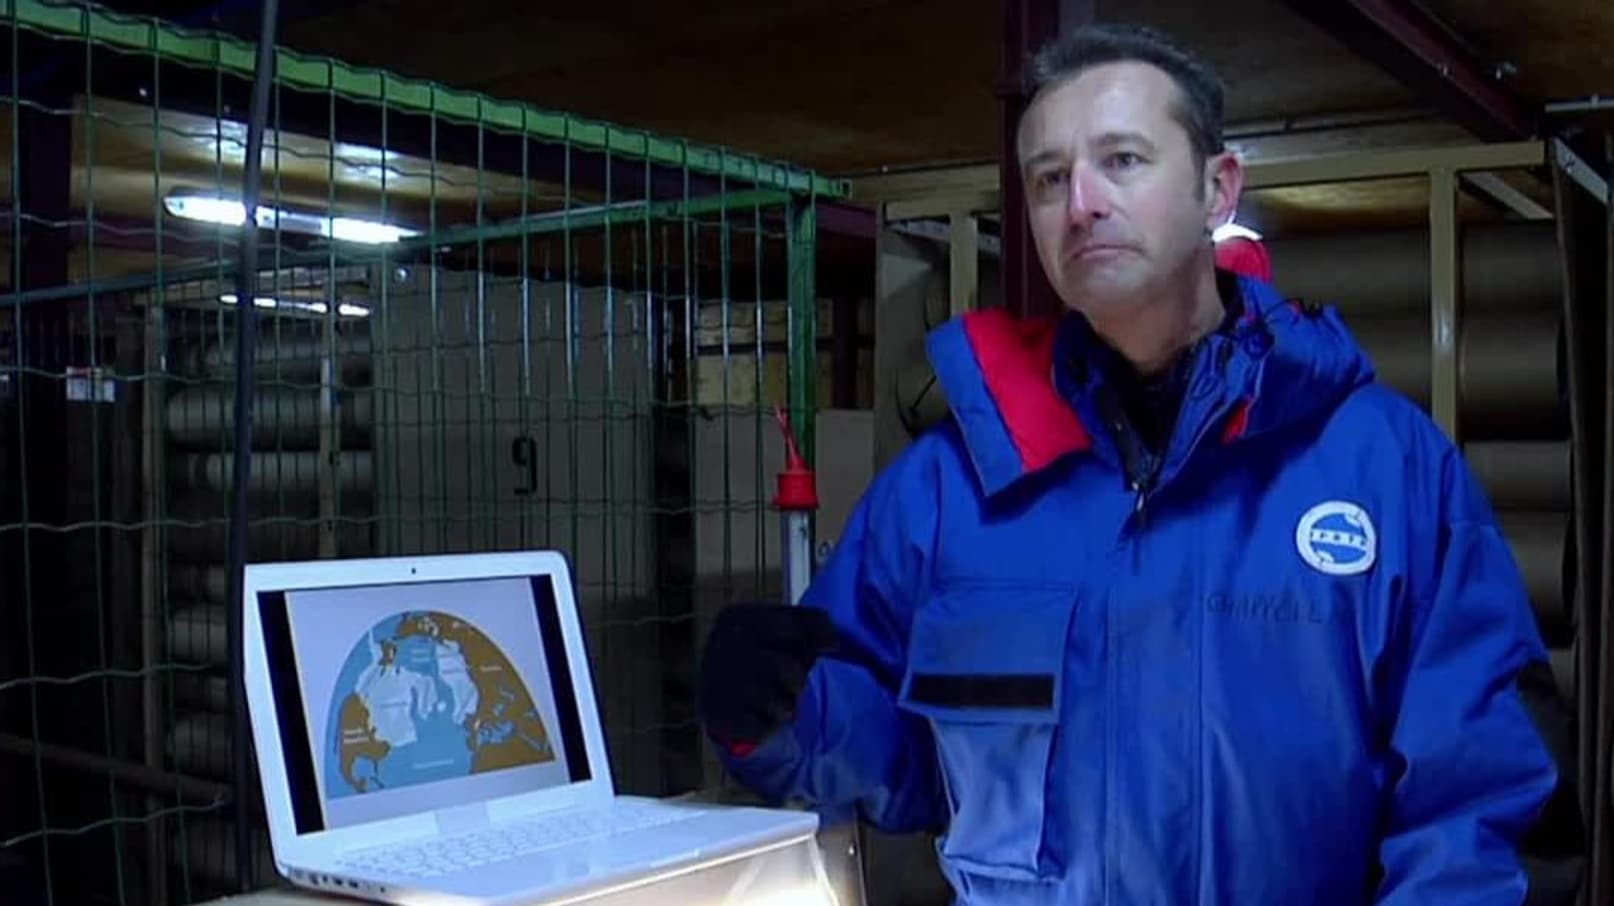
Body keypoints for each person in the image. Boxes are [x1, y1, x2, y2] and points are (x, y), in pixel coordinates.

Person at [697, 23, 1581, 905]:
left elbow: (1483, 805)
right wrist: (780, 713)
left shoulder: (1384, 469)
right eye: (1049, 178)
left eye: (1121, 160)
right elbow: (900, 755)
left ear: (1216, 188)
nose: (1080, 203)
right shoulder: (947, 490)